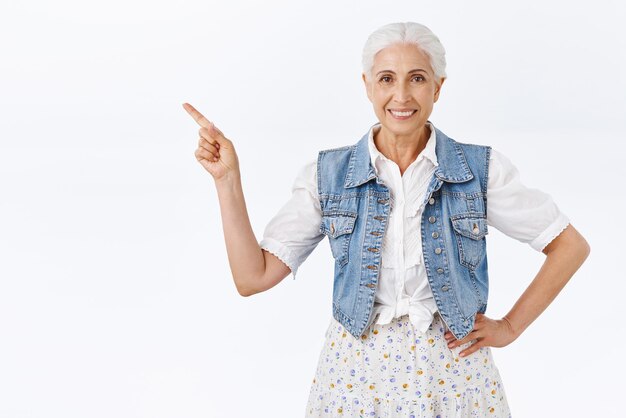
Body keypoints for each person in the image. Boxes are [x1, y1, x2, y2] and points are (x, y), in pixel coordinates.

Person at [183, 21, 590, 418]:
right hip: (353, 381)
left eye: (416, 78)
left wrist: (511, 327)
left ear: (438, 87)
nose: (401, 95)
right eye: (386, 79)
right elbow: (252, 278)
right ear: (366, 85)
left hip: (454, 379)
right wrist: (227, 181)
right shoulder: (329, 176)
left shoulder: (479, 171)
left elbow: (569, 246)